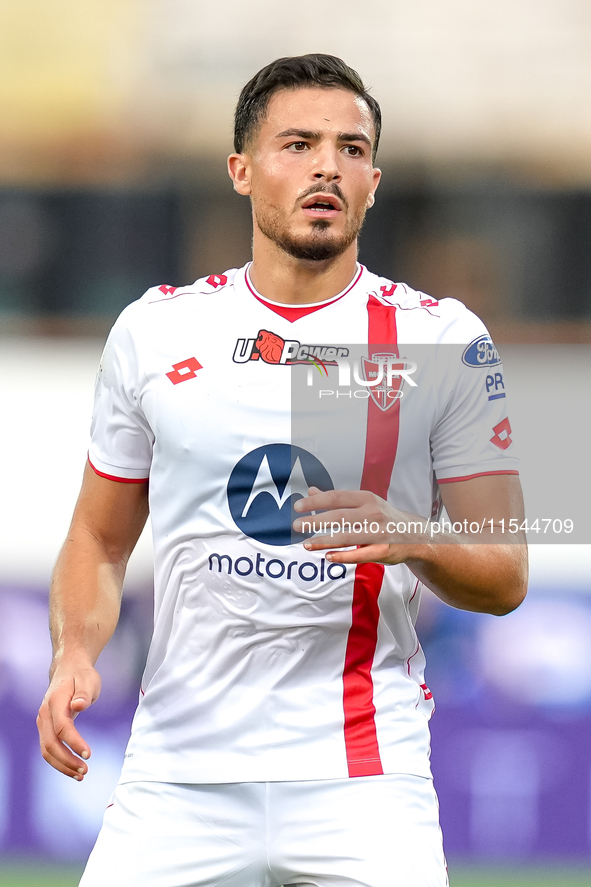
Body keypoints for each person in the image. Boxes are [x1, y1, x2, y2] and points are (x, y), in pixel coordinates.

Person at [37, 54, 527, 887]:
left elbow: (505, 571)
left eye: (350, 148)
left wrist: (409, 537)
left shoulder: (440, 341)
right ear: (240, 169)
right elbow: (100, 533)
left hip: (364, 781)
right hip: (179, 775)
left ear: (374, 178)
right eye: (298, 144)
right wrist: (72, 652)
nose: (327, 166)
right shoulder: (156, 332)